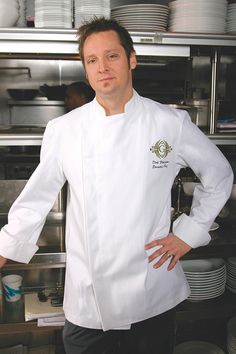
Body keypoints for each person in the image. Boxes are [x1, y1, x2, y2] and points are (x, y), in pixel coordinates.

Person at [0, 17, 233, 354]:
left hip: (151, 292)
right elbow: (38, 196)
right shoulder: (65, 130)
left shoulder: (169, 123)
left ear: (131, 59)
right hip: (89, 301)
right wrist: (5, 247)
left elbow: (220, 174)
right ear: (85, 67)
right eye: (92, 60)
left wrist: (188, 233)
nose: (102, 67)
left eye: (112, 56)